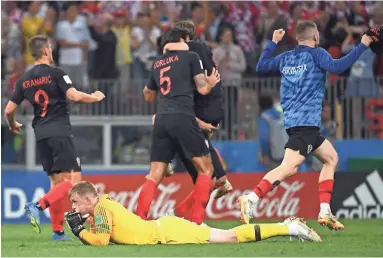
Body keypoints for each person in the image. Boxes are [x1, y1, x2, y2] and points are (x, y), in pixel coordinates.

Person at [237, 21, 373, 230]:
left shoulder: (286, 57)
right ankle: (251, 198)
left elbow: (261, 66)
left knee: (331, 158)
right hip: (306, 123)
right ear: (315, 37)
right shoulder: (317, 54)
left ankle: (325, 211)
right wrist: (363, 44)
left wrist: (272, 42)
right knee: (288, 168)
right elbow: (339, 66)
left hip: (296, 123)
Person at [4, 35, 105, 241]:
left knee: (57, 183)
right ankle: (38, 205)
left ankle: (58, 232)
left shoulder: (24, 79)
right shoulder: (56, 73)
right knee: (74, 181)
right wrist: (94, 96)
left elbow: (8, 110)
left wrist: (12, 124)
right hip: (60, 131)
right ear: (46, 51)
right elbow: (74, 96)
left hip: (41, 134)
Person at [65, 181, 322, 246]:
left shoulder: (100, 207)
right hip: (164, 229)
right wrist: (86, 224)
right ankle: (287, 226)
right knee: (228, 236)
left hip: (169, 232)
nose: (74, 208)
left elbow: (100, 241)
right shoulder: (103, 203)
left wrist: (78, 230)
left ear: (89, 198)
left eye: (77, 203)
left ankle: (288, 227)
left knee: (230, 237)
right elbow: (103, 233)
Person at [137, 27, 220, 225]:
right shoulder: (191, 57)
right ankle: (196, 223)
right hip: (183, 117)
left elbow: (148, 95)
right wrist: (210, 83)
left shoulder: (157, 62)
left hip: (162, 118)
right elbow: (202, 89)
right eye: (188, 40)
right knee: (206, 170)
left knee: (154, 174)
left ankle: (139, 221)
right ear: (182, 39)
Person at [155, 20, 233, 219]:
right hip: (211, 105)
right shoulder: (199, 50)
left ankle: (216, 183)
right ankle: (181, 212)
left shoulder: (191, 50)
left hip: (203, 107)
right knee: (202, 165)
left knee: (203, 173)